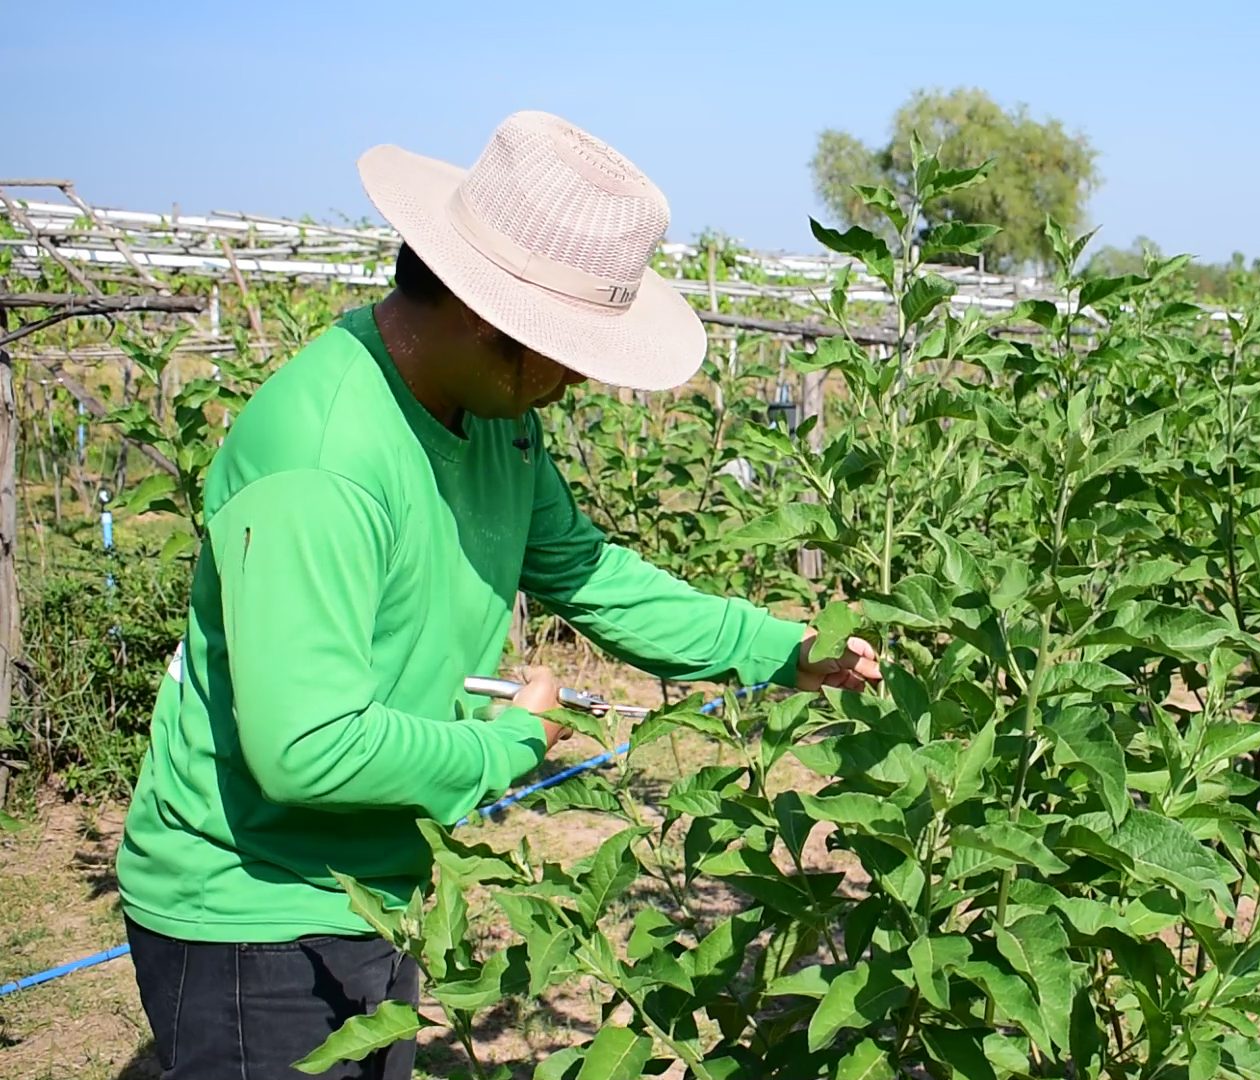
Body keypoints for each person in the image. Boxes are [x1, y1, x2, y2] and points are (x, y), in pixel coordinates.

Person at [114, 110, 881, 1080]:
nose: (581, 379)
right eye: (570, 351)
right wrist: (510, 742)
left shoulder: (493, 420)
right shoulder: (324, 460)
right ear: (491, 323)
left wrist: (780, 648)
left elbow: (590, 574)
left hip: (371, 882)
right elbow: (304, 748)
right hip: (251, 908)